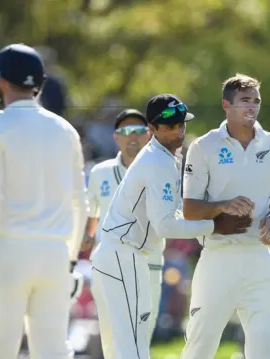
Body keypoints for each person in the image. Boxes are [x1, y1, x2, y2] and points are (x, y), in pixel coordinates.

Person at [90, 93, 252, 359]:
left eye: (181, 124)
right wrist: (215, 226)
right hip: (123, 255)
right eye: (169, 126)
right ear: (152, 129)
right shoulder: (158, 161)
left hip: (115, 255)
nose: (178, 132)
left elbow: (174, 214)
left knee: (119, 348)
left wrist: (215, 211)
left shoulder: (159, 157)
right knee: (133, 346)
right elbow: (165, 226)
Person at [0, 43, 88, 359]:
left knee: (1, 352)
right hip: (55, 255)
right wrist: (70, 261)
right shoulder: (65, 129)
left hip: (8, 254)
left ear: (1, 81)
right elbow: (80, 203)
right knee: (54, 352)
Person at [180, 73, 270, 359]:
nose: (251, 107)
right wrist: (223, 207)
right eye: (244, 101)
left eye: (256, 101)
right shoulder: (203, 146)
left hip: (259, 258)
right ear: (226, 105)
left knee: (267, 348)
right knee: (200, 346)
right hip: (218, 257)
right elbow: (190, 209)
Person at [82, 108, 167, 344]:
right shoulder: (100, 172)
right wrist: (88, 237)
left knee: (140, 339)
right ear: (116, 136)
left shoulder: (162, 170)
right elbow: (92, 213)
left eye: (140, 131)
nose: (133, 137)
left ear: (149, 135)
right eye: (126, 131)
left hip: (148, 262)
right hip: (109, 265)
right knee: (110, 338)